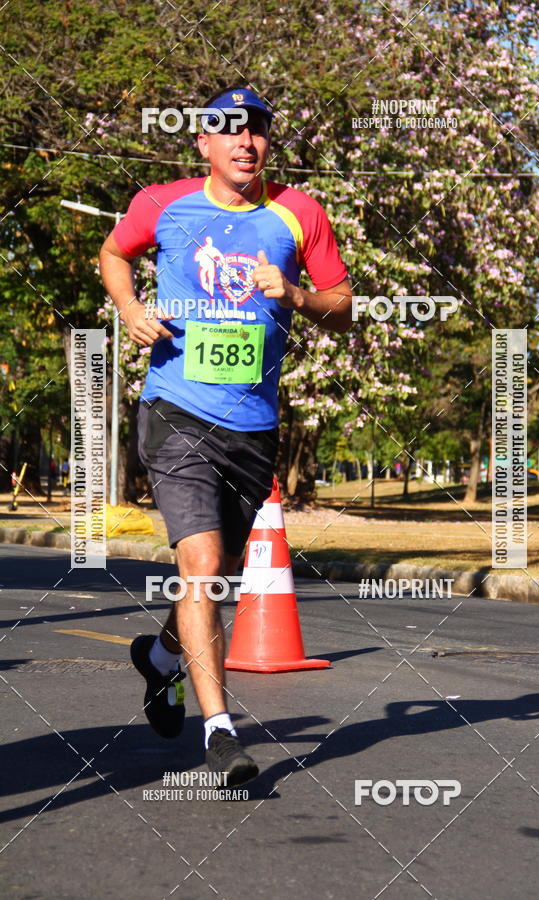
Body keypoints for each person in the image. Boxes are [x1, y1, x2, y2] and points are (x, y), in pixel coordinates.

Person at [99, 86, 352, 786]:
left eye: (258, 130)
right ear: (203, 142)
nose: (246, 141)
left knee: (214, 581)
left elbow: (343, 307)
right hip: (176, 410)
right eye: (230, 129)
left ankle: (160, 659)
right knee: (202, 566)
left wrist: (296, 295)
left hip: (253, 427)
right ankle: (219, 733)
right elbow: (114, 252)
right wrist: (129, 308)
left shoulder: (298, 213)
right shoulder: (163, 203)